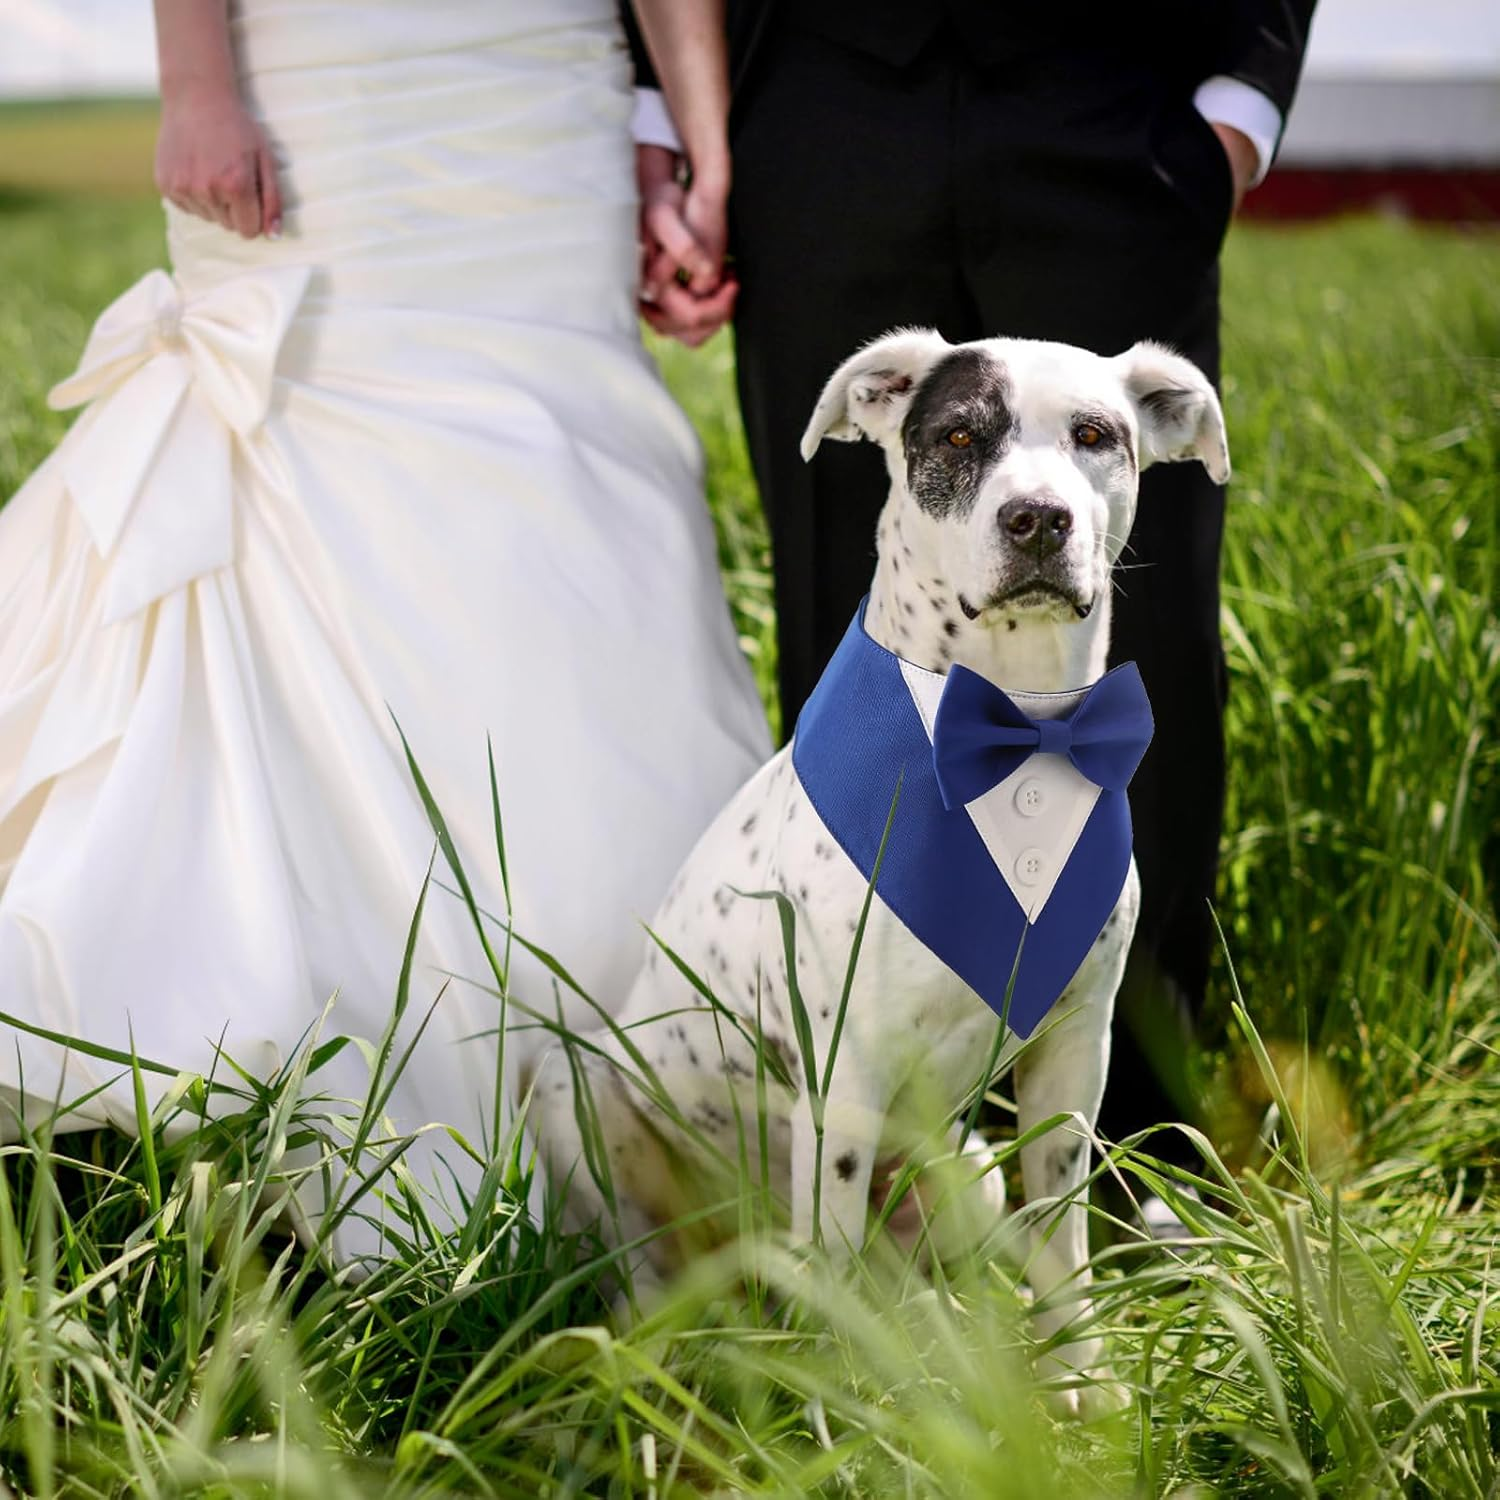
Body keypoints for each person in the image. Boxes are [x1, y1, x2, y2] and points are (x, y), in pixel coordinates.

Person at [0, 0, 768, 1257]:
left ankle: (655, 1099)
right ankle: (303, 1054)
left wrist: (696, 133)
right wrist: (194, 83)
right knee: (320, 512)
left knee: (566, 534)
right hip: (329, 90)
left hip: (541, 110)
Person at [629, 4, 1316, 1147]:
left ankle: (1142, 1154)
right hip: (818, 114)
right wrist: (671, 114)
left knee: (1152, 661)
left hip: (1111, 116)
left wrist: (1240, 105)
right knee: (844, 633)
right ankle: (894, 1163)